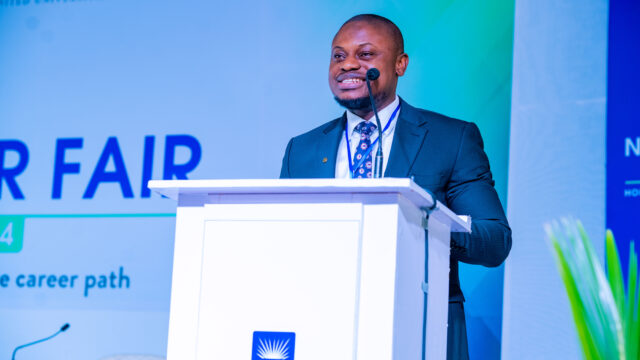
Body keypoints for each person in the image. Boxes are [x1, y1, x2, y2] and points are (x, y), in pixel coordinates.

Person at [279, 14, 512, 360]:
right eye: (338, 56)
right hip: (323, 328)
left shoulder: (451, 139)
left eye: (366, 54)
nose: (349, 65)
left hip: (420, 328)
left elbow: (494, 242)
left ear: (400, 64)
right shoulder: (303, 148)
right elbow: (283, 242)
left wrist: (422, 221)